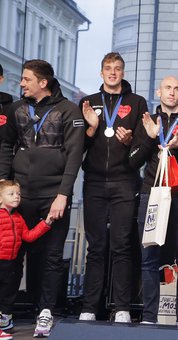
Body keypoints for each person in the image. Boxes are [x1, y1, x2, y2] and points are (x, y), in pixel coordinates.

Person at [0, 59, 84, 337]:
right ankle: (5, 314)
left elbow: (74, 157)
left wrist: (63, 194)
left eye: (26, 79)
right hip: (19, 196)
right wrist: (3, 184)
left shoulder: (69, 111)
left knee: (50, 257)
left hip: (53, 196)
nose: (21, 83)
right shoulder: (16, 109)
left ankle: (46, 311)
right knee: (12, 257)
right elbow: (5, 144)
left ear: (43, 82)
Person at [129, 76, 178, 326]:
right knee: (149, 257)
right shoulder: (149, 121)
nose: (172, 93)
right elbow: (133, 161)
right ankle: (150, 317)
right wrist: (151, 136)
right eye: (167, 88)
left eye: (176, 89)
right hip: (152, 195)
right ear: (158, 91)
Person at [77, 52, 147, 322]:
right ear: (101, 72)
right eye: (108, 68)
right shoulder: (88, 103)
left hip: (124, 182)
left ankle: (121, 308)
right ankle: (89, 307)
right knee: (95, 247)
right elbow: (77, 148)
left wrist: (130, 142)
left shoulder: (137, 103)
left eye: (117, 69)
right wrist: (91, 129)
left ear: (123, 72)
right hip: (94, 182)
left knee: (121, 246)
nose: (113, 73)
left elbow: (144, 145)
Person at [0, 180, 53, 339]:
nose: (16, 197)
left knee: (7, 293)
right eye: (11, 194)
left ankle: (4, 322)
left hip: (10, 264)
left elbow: (28, 237)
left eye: (18, 194)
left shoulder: (18, 218)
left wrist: (46, 223)